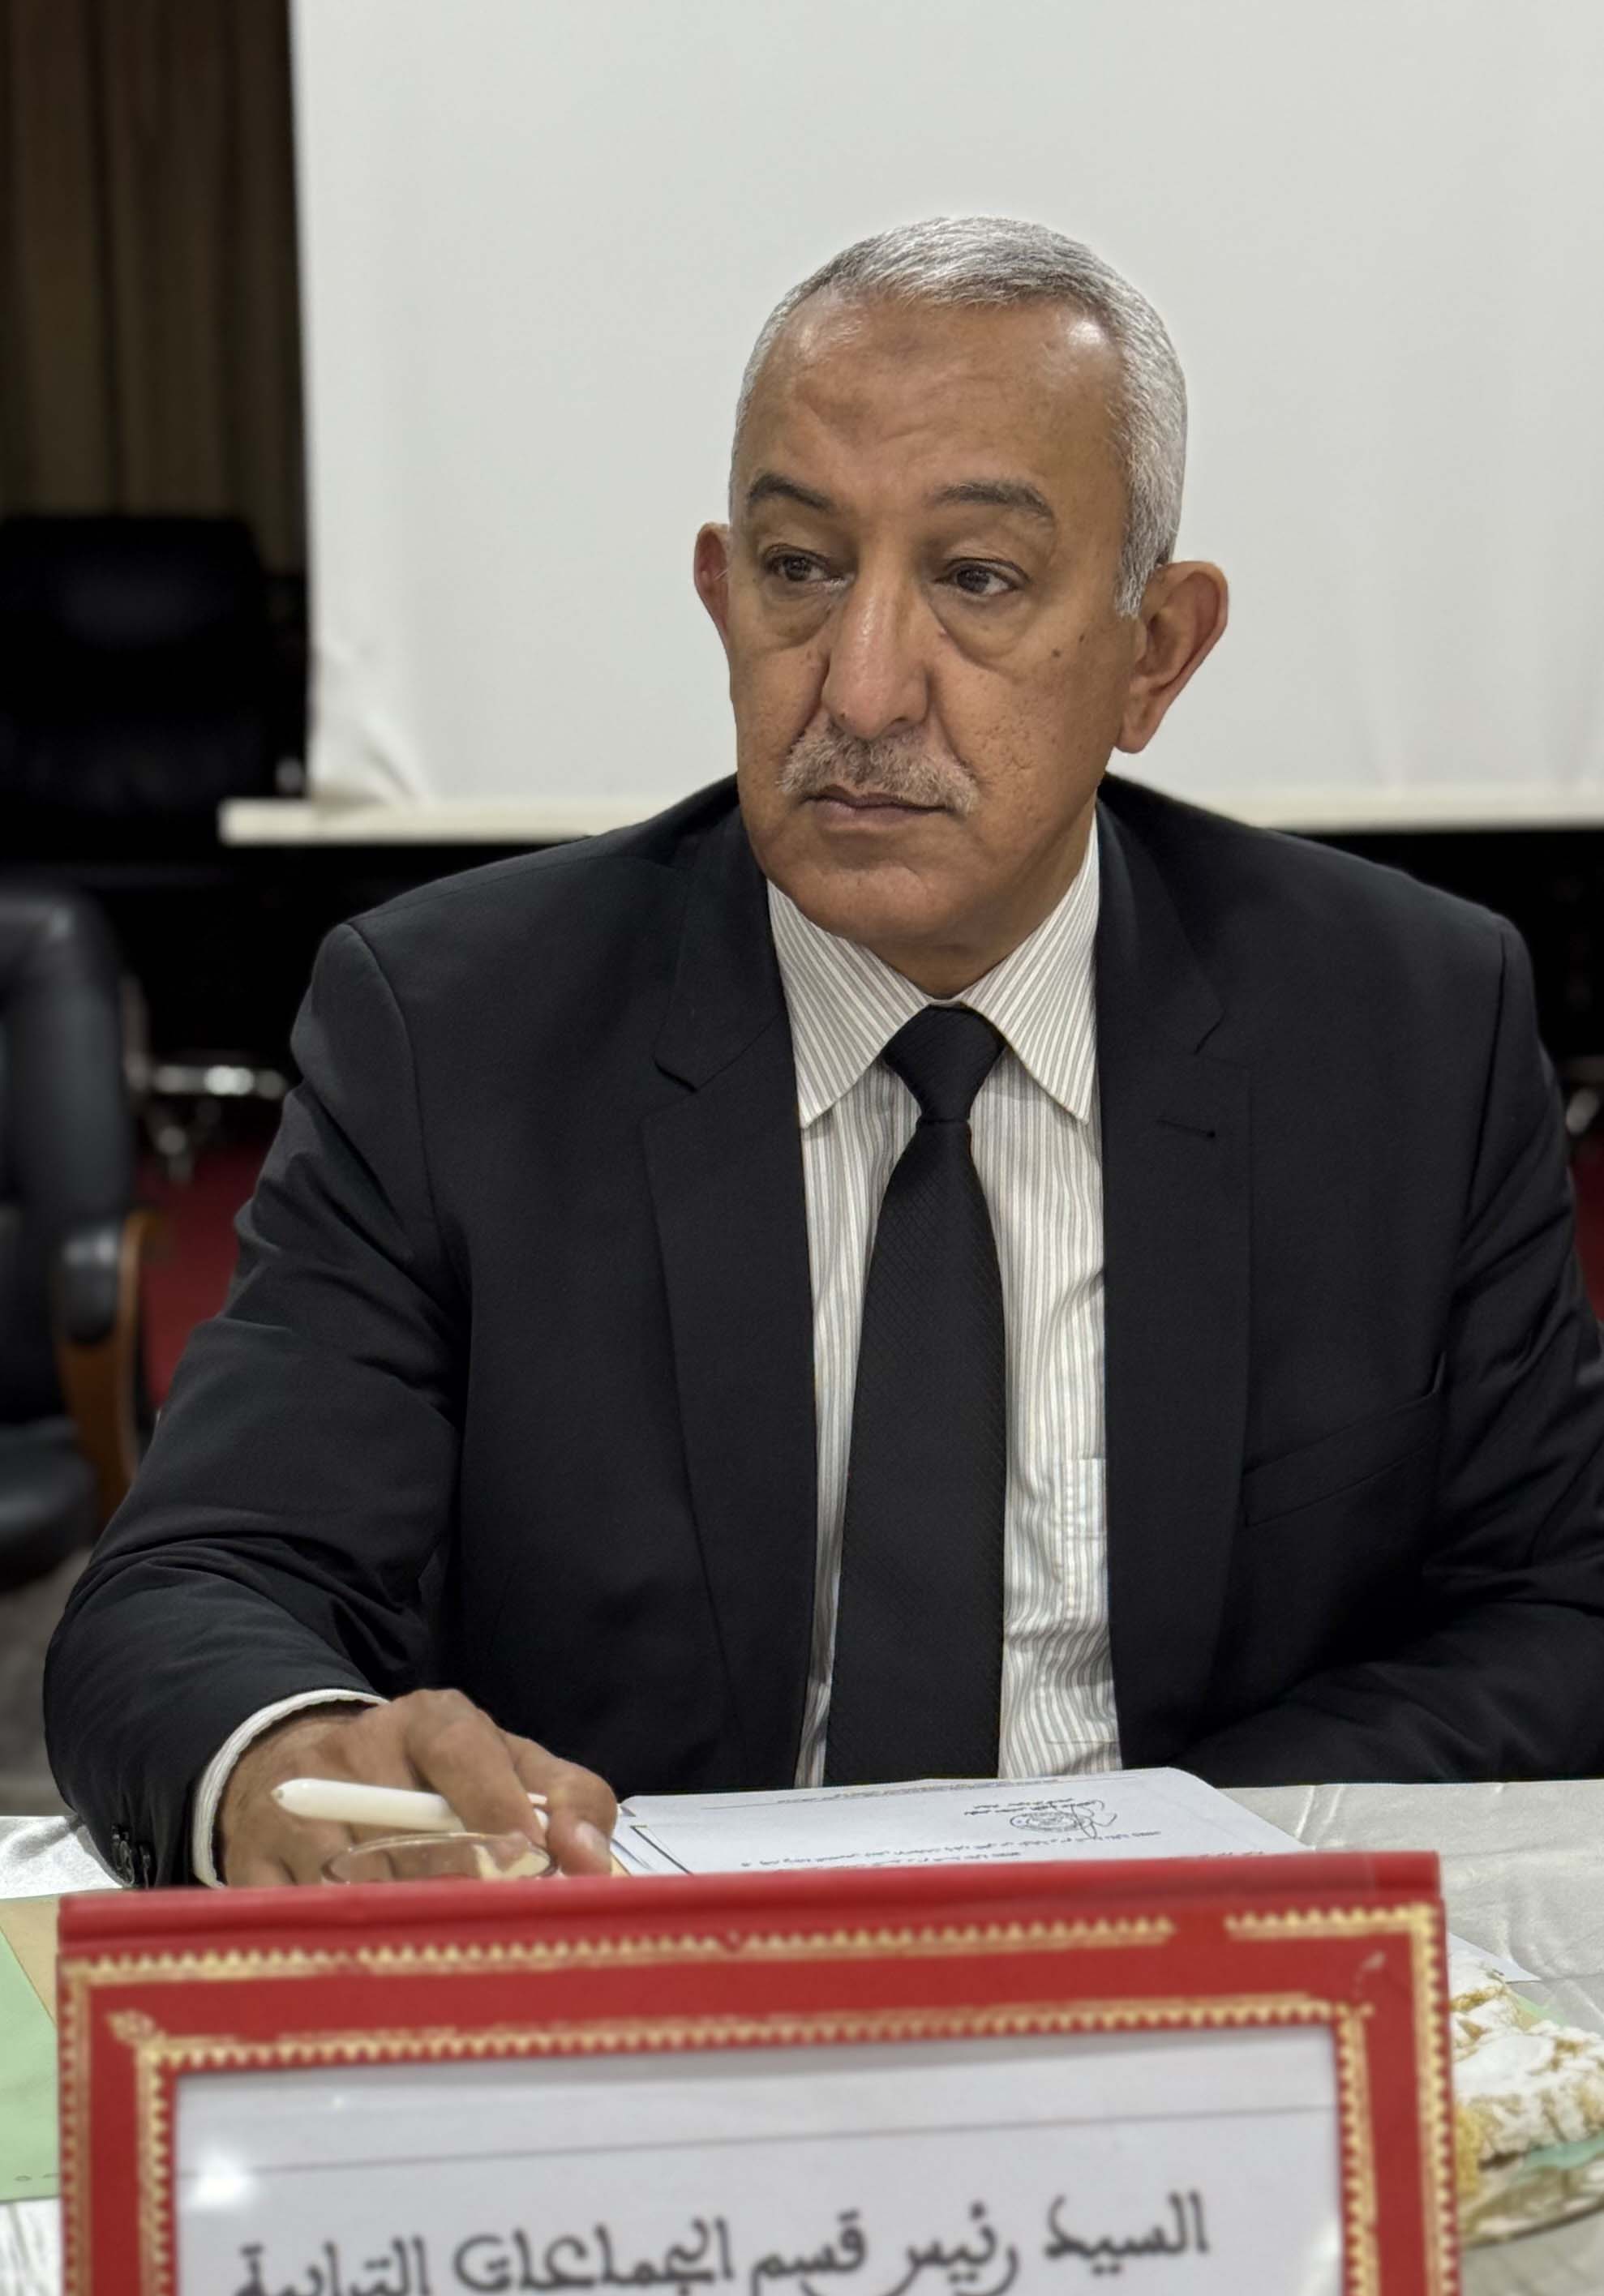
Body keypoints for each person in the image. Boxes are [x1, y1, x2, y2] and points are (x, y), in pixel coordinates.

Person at [44, 215, 1604, 1890]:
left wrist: (1153, 1862)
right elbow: (192, 1589)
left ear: (1153, 652)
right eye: (799, 569)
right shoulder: (457, 1027)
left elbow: (1556, 1602)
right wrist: (290, 1755)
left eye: (975, 579)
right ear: (722, 596)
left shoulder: (1398, 1024)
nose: (860, 691)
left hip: (1190, 1971)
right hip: (638, 1976)